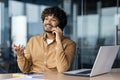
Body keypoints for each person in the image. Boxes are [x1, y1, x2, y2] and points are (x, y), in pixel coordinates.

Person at [13, 6, 76, 73]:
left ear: (60, 24)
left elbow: (62, 69)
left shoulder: (70, 44)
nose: (48, 22)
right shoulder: (33, 41)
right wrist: (20, 55)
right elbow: (25, 69)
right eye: (46, 19)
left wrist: (58, 41)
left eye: (53, 20)